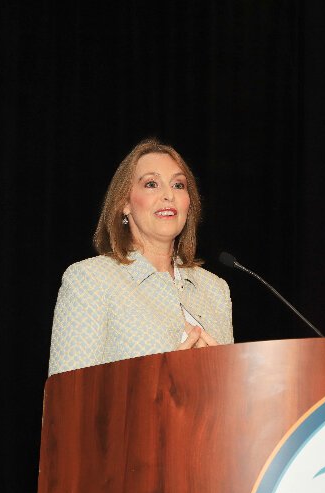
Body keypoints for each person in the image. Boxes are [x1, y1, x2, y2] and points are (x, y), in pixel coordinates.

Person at [48, 138, 234, 375]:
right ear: (124, 203)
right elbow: (68, 400)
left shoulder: (216, 290)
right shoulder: (91, 280)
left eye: (178, 185)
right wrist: (162, 380)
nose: (168, 195)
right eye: (151, 184)